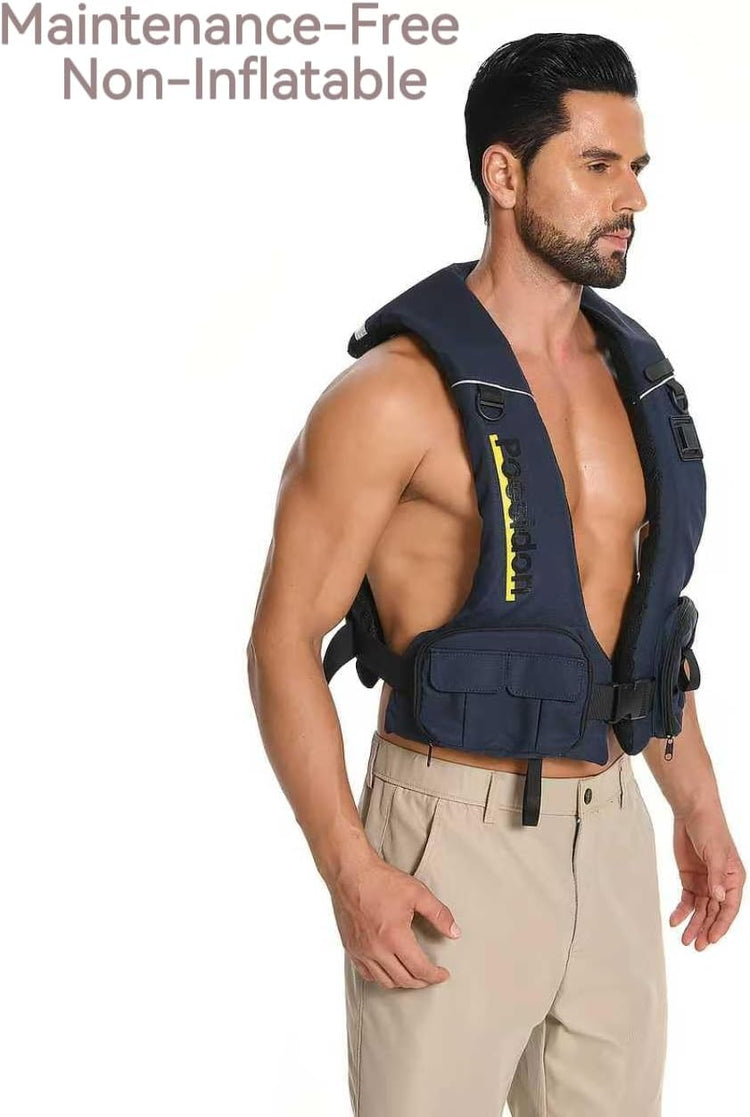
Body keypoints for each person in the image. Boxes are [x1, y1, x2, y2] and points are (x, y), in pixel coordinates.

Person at [247, 31, 745, 1116]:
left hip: (611, 825)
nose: (633, 198)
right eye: (598, 165)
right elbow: (282, 641)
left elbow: (641, 628)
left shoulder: (639, 386)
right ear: (504, 175)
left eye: (637, 168)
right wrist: (349, 869)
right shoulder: (390, 397)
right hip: (450, 836)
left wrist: (699, 806)